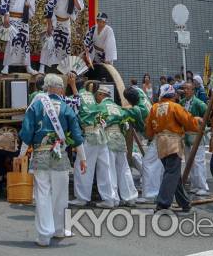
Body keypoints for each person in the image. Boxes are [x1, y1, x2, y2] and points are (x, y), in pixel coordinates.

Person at [19, 73, 86, 247]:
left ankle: (44, 235)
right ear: (60, 89)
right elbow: (77, 136)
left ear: (46, 88)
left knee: (42, 193)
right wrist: (83, 158)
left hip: (41, 154)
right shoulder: (66, 107)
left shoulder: (36, 105)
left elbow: (27, 133)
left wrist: (20, 156)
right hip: (60, 155)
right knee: (61, 193)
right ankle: (59, 229)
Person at [145, 83, 202, 213]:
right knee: (171, 173)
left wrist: (150, 136)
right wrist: (196, 122)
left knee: (173, 174)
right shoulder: (175, 106)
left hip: (160, 143)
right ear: (172, 94)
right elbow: (188, 121)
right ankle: (163, 203)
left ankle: (184, 203)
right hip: (173, 143)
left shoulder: (154, 107)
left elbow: (148, 130)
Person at [71, 78, 116, 208]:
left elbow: (75, 106)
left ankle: (82, 198)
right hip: (101, 134)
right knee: (104, 168)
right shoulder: (90, 95)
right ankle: (109, 199)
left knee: (83, 166)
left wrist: (72, 85)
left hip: (90, 134)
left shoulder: (77, 96)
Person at [92, 85, 138, 207]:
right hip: (120, 138)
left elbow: (95, 122)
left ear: (102, 95)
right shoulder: (118, 107)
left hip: (107, 137)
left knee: (108, 168)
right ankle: (130, 197)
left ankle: (111, 199)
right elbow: (125, 124)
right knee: (124, 168)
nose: (97, 98)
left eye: (98, 96)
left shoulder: (99, 107)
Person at [123, 85, 163, 205]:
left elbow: (142, 127)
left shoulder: (138, 109)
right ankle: (156, 191)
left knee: (148, 163)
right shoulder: (142, 95)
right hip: (160, 132)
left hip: (157, 135)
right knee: (157, 165)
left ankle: (150, 195)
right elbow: (138, 89)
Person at [39, 0, 84, 74]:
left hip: (65, 23)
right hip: (54, 21)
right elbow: (48, 9)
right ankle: (42, 67)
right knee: (48, 43)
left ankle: (65, 68)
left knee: (65, 45)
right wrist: (49, 25)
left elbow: (80, 8)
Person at [0, 0, 37, 76]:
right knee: (11, 42)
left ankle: (28, 66)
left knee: (25, 43)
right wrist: (5, 15)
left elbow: (31, 1)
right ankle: (6, 66)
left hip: (23, 19)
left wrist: (28, 5)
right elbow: (4, 1)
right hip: (12, 18)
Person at [181, 81, 209, 196]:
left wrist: (202, 122)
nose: (185, 91)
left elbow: (207, 112)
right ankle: (194, 185)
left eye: (188, 89)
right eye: (184, 89)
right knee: (189, 162)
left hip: (196, 135)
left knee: (198, 162)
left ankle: (202, 186)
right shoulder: (182, 102)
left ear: (193, 91)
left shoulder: (198, 103)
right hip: (186, 136)